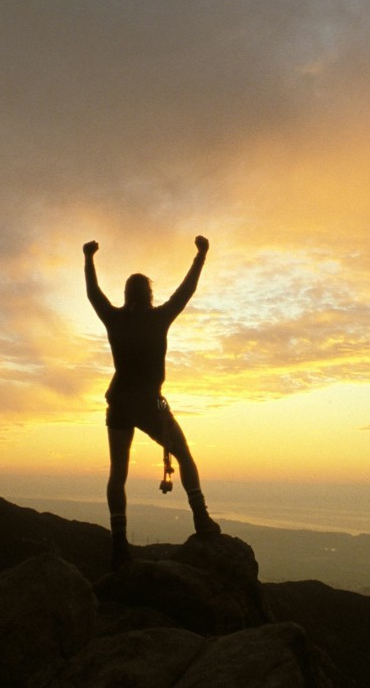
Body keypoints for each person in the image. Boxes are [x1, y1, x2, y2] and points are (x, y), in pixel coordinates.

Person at [84, 235, 221, 568]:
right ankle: (201, 518)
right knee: (184, 455)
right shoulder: (158, 319)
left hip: (119, 403)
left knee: (118, 472)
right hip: (148, 404)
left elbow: (93, 294)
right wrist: (200, 256)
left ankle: (119, 545)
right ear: (149, 295)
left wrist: (88, 259)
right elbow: (185, 292)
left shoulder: (114, 319)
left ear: (126, 295)